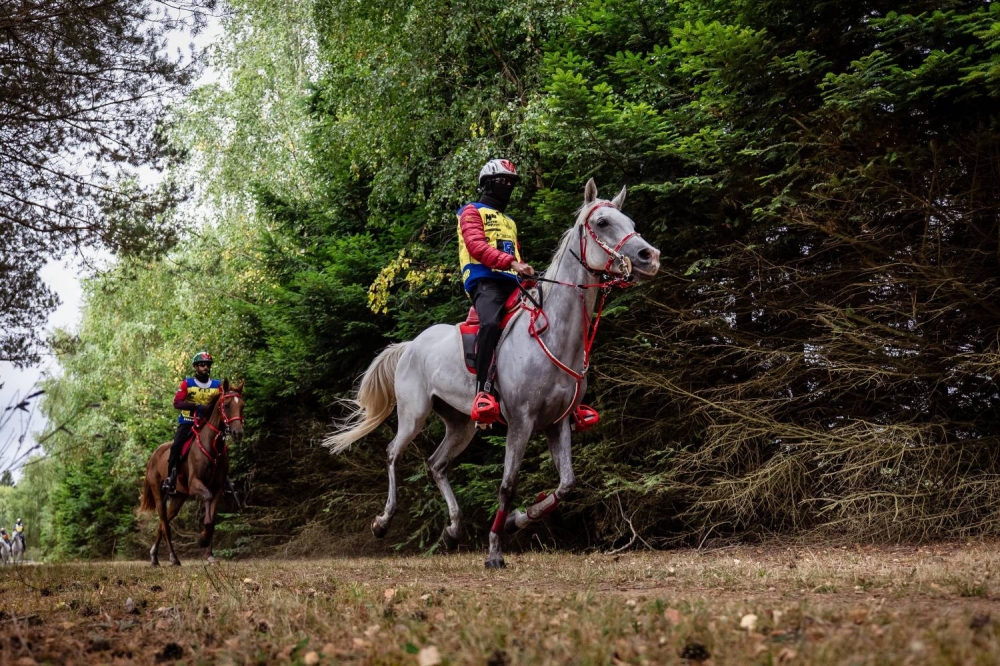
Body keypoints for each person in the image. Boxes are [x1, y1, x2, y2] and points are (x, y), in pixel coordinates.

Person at [457, 158, 535, 424]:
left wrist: (525, 272)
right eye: (503, 181)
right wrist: (512, 263)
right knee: (490, 323)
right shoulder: (470, 211)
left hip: (511, 281)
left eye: (511, 183)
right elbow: (476, 246)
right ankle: (483, 393)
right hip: (484, 281)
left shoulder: (510, 222)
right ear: (488, 184)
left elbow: (515, 253)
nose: (508, 187)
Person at [163, 351, 222, 494]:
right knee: (176, 446)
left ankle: (224, 481)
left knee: (222, 448)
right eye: (202, 365)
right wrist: (195, 406)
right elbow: (177, 403)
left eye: (207, 365)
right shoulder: (187, 383)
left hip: (208, 424)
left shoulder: (217, 385)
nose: (205, 368)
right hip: (188, 422)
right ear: (196, 367)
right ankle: (170, 479)